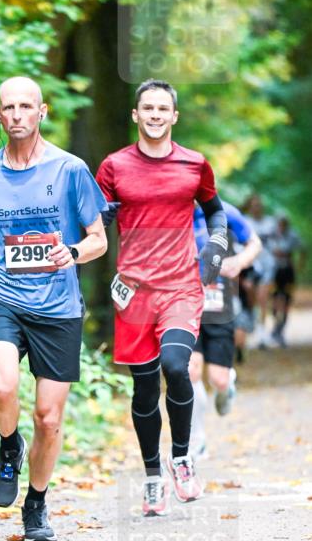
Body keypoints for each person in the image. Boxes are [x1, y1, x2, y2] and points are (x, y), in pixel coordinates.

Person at [0, 76, 108, 541]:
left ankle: (36, 502)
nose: (16, 115)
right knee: (2, 383)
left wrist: (70, 253)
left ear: (42, 112)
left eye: (25, 107)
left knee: (49, 419)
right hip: (1, 295)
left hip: (58, 306)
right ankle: (9, 447)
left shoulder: (70, 170)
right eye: (8, 107)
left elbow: (98, 239)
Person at [95, 78, 228, 517]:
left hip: (179, 286)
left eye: (162, 109)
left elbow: (214, 209)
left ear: (174, 116)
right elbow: (90, 220)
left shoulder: (194, 164)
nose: (154, 115)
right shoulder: (114, 166)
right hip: (132, 292)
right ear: (136, 115)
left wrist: (218, 243)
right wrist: (101, 214)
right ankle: (153, 478)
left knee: (176, 366)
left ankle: (183, 458)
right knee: (144, 388)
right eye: (146, 108)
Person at [189, 201, 262, 460]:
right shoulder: (171, 207)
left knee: (217, 379)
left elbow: (255, 242)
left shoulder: (224, 211)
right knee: (190, 370)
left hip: (219, 303)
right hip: (184, 302)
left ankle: (226, 385)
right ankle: (196, 441)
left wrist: (239, 261)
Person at [242, 194, 278, 348]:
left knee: (263, 298)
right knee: (252, 300)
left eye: (259, 205)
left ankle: (262, 335)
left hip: (268, 265)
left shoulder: (270, 222)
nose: (256, 208)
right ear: (250, 207)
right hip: (251, 265)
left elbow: (277, 242)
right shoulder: (245, 222)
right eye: (254, 205)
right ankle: (252, 327)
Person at [270, 214, 304, 347]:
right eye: (280, 223)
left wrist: (299, 266)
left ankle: (280, 329)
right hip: (274, 271)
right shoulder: (272, 234)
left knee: (286, 300)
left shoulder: (292, 235)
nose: (282, 226)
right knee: (275, 300)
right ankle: (275, 326)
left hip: (288, 272)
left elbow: (302, 249)